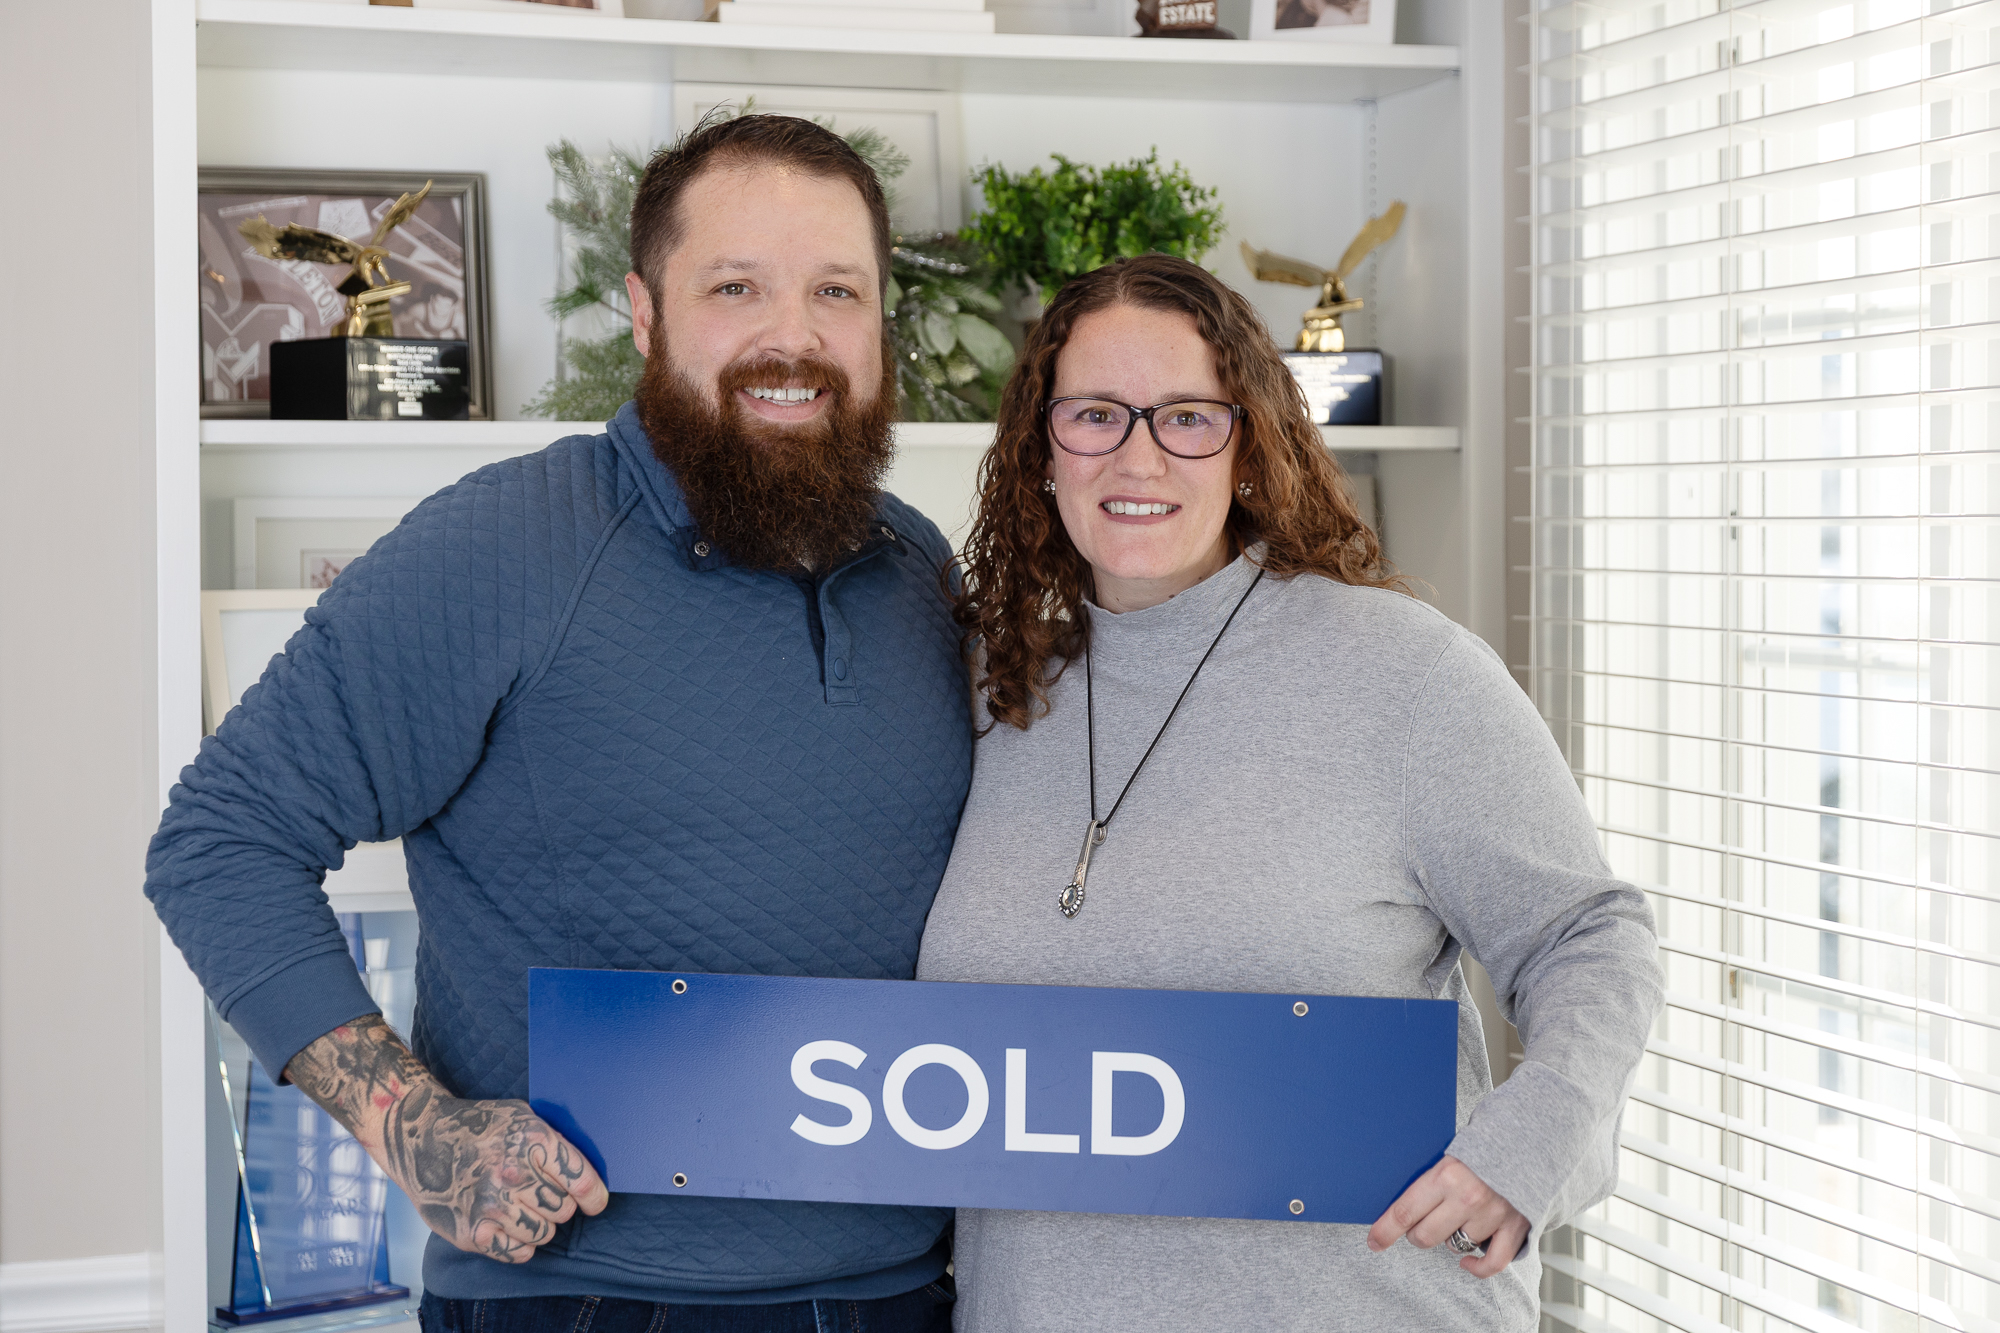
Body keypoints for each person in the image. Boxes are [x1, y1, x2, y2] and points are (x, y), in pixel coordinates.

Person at [147, 115, 967, 1332]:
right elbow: (219, 838)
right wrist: (421, 1131)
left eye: (835, 291)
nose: (793, 338)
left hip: (902, 1288)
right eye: (735, 287)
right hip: (587, 1297)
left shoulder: (918, 566)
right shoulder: (505, 545)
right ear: (643, 313)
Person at [920, 252, 1662, 1330]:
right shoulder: (988, 690)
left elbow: (1590, 937)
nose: (1138, 455)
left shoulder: (1404, 673)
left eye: (1187, 417)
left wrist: (1526, 1152)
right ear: (1041, 448)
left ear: (1248, 444)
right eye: (1095, 415)